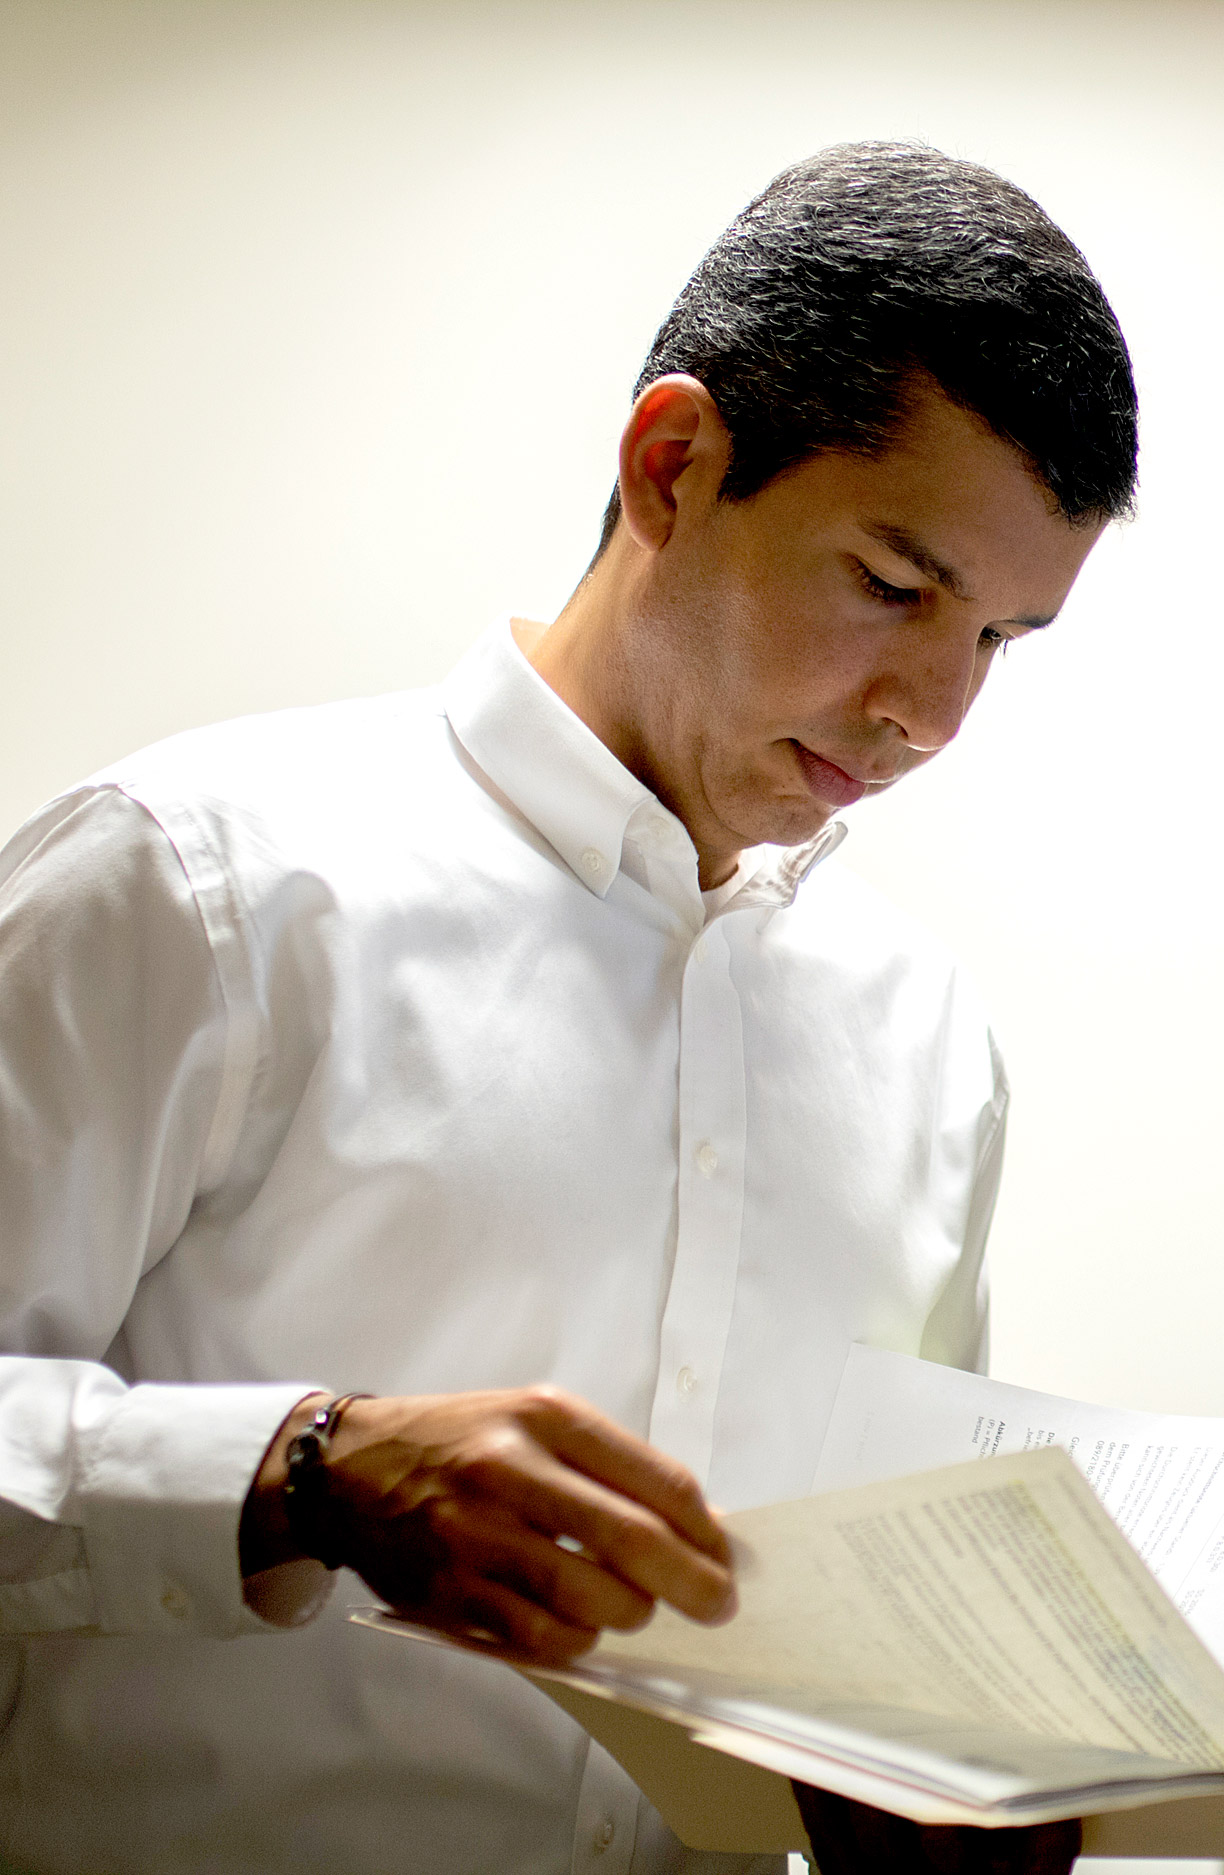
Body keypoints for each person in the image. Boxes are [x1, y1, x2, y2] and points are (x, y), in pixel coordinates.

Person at [0, 141, 1136, 1874]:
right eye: (896, 588)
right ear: (674, 464)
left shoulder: (929, 1047)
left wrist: (942, 1786)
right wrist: (302, 1474)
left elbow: (858, 1634)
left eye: (998, 640)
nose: (931, 715)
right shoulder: (196, 880)